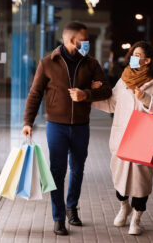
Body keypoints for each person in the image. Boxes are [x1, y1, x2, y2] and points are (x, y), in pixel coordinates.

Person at [21, 21, 112, 236]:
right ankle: (59, 217)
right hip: (56, 127)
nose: (87, 42)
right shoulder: (48, 63)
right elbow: (34, 94)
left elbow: (107, 90)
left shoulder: (91, 64)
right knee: (57, 172)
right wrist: (27, 122)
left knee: (78, 169)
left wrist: (86, 94)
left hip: (81, 126)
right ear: (72, 40)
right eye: (85, 39)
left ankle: (72, 206)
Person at [92, 41, 153, 235]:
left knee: (141, 181)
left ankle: (136, 218)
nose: (133, 57)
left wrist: (146, 99)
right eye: (132, 54)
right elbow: (112, 104)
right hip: (121, 136)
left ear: (148, 60)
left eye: (137, 55)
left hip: (144, 138)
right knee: (118, 177)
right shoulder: (124, 79)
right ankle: (123, 207)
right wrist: (89, 97)